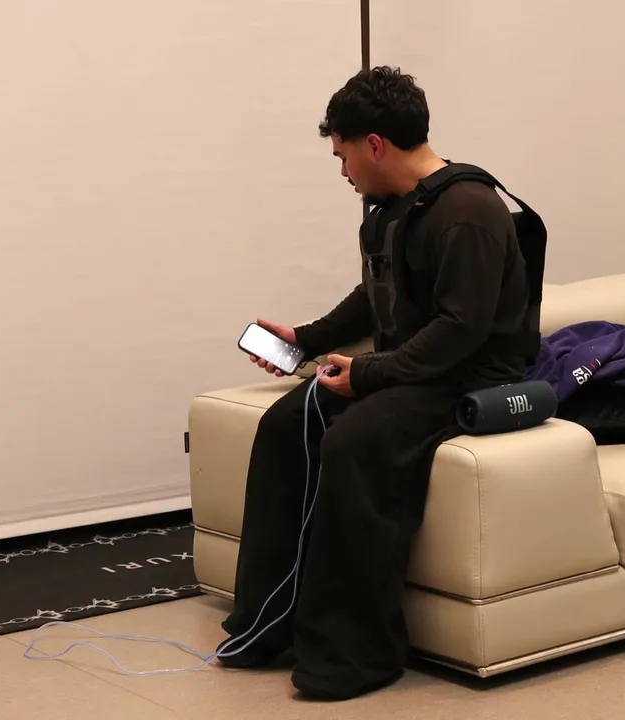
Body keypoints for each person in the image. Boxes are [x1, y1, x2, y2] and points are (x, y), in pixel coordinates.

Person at [219, 66, 538, 700]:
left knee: (354, 442)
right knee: (283, 426)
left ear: (373, 144)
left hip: (471, 380)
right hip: (417, 371)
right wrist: (304, 339)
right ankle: (267, 624)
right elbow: (375, 295)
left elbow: (461, 330)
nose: (342, 171)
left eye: (342, 155)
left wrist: (367, 375)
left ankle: (353, 656)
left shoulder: (469, 210)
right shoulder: (395, 210)